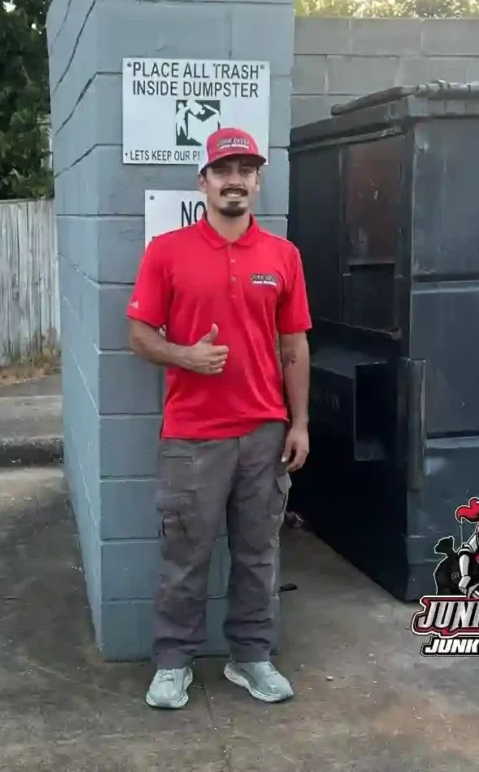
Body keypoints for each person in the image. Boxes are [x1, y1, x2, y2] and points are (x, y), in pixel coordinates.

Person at [126, 127, 312, 709]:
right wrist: (185, 356)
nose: (235, 180)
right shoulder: (167, 252)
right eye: (223, 169)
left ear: (257, 181)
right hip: (192, 437)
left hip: (264, 432)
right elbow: (136, 334)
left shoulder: (283, 256)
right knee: (186, 557)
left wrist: (298, 423)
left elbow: (295, 346)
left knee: (258, 553)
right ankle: (173, 662)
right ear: (203, 181)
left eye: (245, 170)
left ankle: (251, 657)